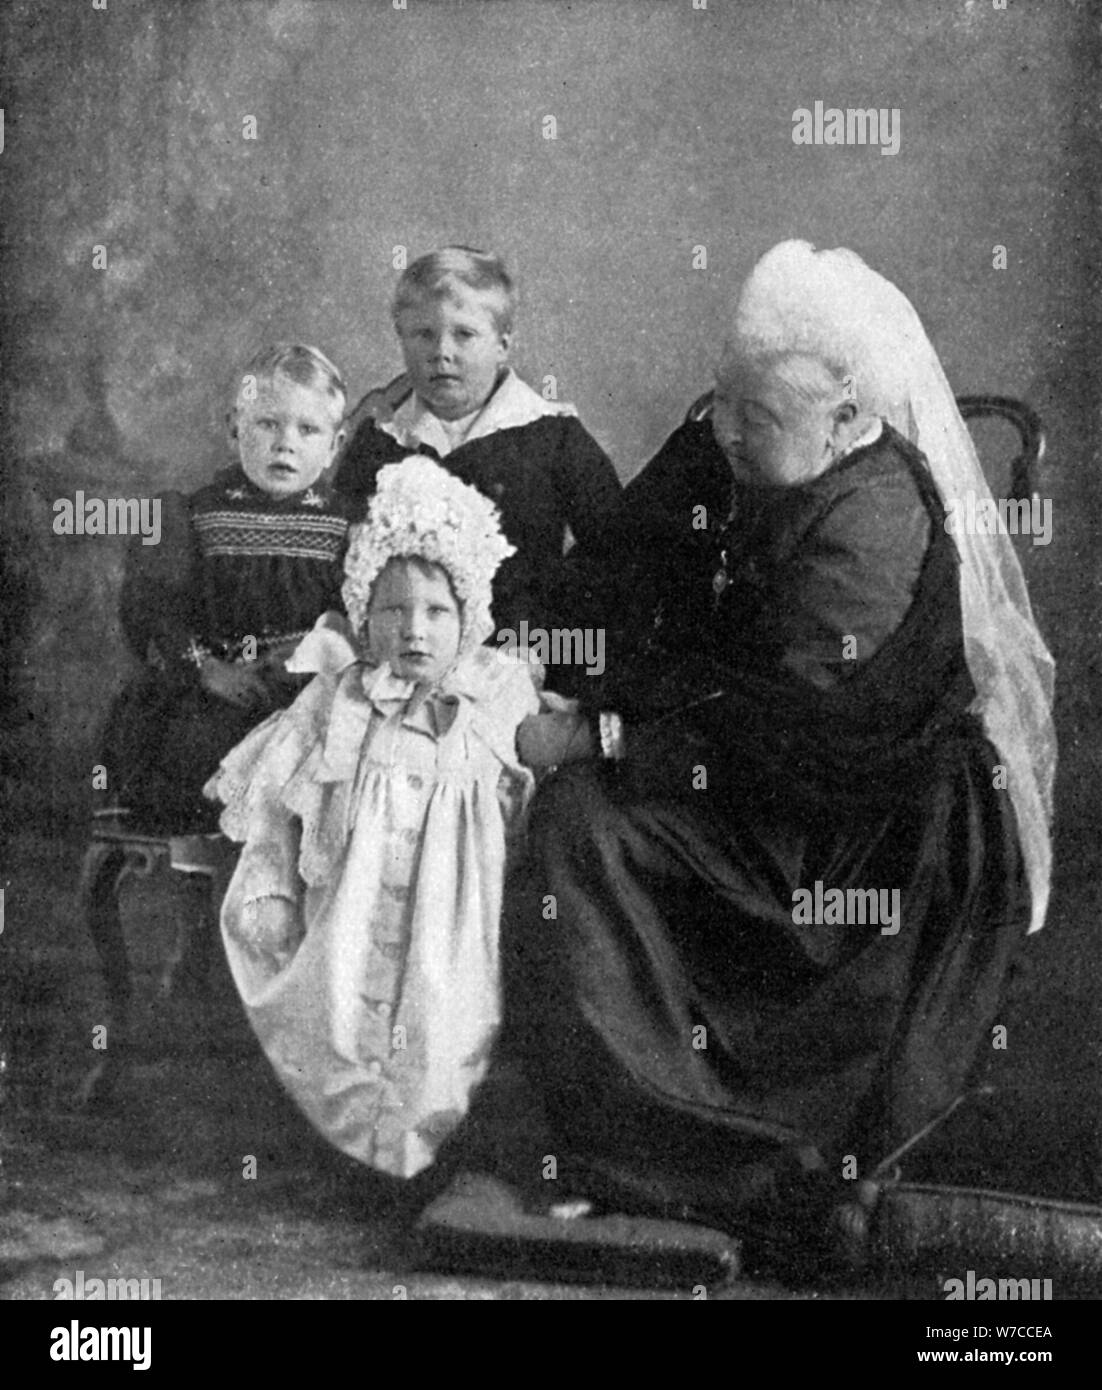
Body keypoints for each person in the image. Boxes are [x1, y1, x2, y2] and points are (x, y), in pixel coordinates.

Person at [491, 241, 1056, 1264]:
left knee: (584, 825)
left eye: (758, 418)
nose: (725, 433)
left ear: (847, 420)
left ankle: (714, 1154)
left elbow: (783, 728)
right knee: (570, 810)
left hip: (856, 824)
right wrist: (516, 629)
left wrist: (600, 729)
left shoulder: (878, 519)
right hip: (746, 769)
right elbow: (617, 559)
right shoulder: (735, 437)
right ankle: (628, 1125)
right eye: (721, 404)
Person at [205, 456, 543, 1180]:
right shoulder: (339, 698)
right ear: (364, 614)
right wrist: (268, 883)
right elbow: (276, 795)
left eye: (437, 612)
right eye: (392, 610)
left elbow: (536, 782)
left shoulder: (495, 695)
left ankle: (418, 1152)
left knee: (443, 1029)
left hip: (448, 925)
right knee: (333, 1017)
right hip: (347, 916)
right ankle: (352, 1153)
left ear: (470, 618)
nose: (414, 631)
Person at [98, 343, 352, 833]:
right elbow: (158, 613)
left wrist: (312, 654)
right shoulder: (195, 515)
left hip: (309, 693)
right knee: (197, 747)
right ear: (234, 426)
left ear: (335, 445)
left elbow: (356, 619)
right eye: (267, 424)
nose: (286, 444)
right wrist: (206, 668)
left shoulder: (346, 525)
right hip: (218, 687)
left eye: (308, 429)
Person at [334, 246, 621, 643]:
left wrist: (554, 634)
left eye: (464, 335)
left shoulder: (553, 436)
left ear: (502, 346)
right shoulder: (382, 439)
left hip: (522, 646)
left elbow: (614, 551)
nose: (441, 353)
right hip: (408, 646)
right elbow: (342, 551)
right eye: (423, 335)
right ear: (401, 340)